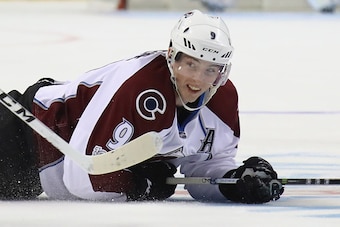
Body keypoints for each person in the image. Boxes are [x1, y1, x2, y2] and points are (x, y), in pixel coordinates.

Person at [0, 10, 283, 203]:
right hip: (20, 133)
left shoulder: (222, 100)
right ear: (172, 57)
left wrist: (234, 183)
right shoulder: (140, 88)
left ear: (223, 71)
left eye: (211, 70)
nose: (197, 80)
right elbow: (80, 178)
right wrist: (141, 186)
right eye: (190, 64)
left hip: (35, 170)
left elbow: (204, 167)